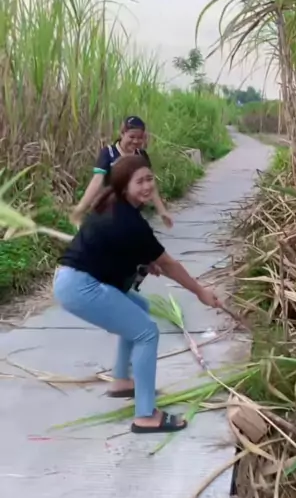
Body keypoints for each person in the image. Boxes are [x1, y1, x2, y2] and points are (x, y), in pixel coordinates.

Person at [54, 154, 221, 434]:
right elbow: (169, 265)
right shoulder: (129, 221)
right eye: (139, 182)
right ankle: (145, 415)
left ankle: (121, 380)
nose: (147, 186)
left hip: (72, 279)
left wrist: (145, 260)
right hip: (81, 287)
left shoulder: (114, 204)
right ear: (124, 186)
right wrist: (200, 292)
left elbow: (118, 247)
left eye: (149, 179)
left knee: (139, 309)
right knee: (146, 333)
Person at [71, 116, 173, 229]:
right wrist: (80, 209)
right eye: (131, 137)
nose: (135, 141)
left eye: (139, 138)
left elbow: (149, 185)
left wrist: (162, 211)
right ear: (122, 134)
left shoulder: (141, 155)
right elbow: (96, 182)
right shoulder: (108, 153)